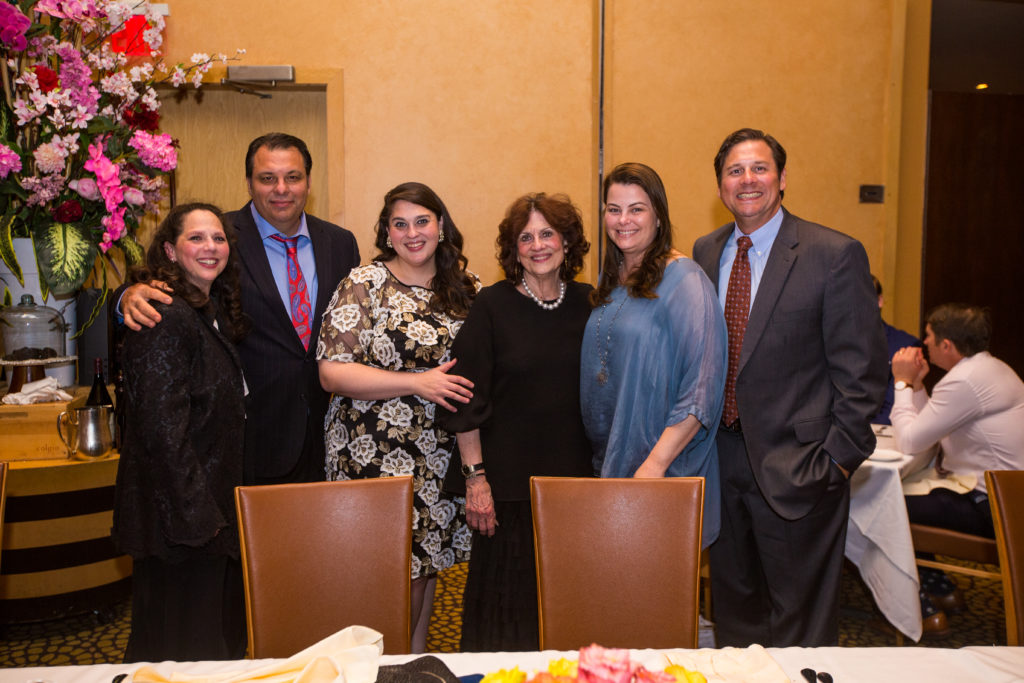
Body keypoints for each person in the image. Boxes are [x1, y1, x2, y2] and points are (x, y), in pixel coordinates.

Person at [693, 128, 887, 647]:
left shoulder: (833, 254)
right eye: (735, 171)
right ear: (719, 187)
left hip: (803, 471)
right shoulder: (706, 252)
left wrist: (835, 464)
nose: (748, 180)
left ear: (782, 178)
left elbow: (863, 377)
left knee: (800, 629)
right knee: (735, 622)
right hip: (722, 463)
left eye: (760, 168)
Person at [119, 132, 360, 485]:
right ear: (249, 183)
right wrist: (126, 296)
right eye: (267, 178)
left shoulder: (340, 243)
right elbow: (163, 284)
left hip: (329, 435)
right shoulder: (217, 237)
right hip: (249, 438)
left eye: (293, 177)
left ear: (308, 182)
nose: (281, 188)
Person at [317, 182, 478, 653]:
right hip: (373, 456)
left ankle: (413, 661)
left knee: (425, 571)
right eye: (400, 224)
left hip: (438, 456)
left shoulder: (467, 289)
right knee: (390, 579)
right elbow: (331, 372)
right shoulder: (363, 283)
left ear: (441, 225)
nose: (412, 233)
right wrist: (416, 382)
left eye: (422, 221)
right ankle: (380, 667)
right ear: (386, 231)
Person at [437, 193, 594, 651]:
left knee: (568, 611)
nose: (538, 245)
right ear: (513, 249)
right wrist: (475, 480)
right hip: (505, 492)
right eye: (526, 237)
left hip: (574, 486)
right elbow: (464, 399)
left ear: (567, 241)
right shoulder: (492, 306)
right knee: (507, 620)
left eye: (548, 233)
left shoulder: (592, 303)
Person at [112, 203, 250, 662]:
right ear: (170, 250)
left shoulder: (204, 311)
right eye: (197, 238)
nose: (210, 247)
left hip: (205, 518)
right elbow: (160, 431)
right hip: (181, 526)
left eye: (218, 238)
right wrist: (202, 519)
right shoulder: (163, 318)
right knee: (179, 657)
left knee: (207, 650)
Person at [580, 162, 727, 548]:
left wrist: (654, 467)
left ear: (658, 217)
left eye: (637, 209)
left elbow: (702, 390)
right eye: (614, 209)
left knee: (651, 596)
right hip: (610, 463)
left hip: (658, 472)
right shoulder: (611, 280)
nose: (623, 220)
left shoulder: (686, 281)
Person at [891, 303, 1024, 632]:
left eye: (929, 337)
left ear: (947, 345)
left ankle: (916, 608)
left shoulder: (964, 381)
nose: (925, 343)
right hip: (1008, 499)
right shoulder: (990, 369)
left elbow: (909, 441)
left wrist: (902, 384)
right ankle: (940, 588)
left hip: (990, 508)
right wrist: (920, 386)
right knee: (904, 494)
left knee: (886, 504)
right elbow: (926, 432)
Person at [872, 274, 921, 425]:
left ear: (879, 301)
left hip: (881, 433)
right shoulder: (829, 341)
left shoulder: (904, 346)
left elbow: (893, 407)